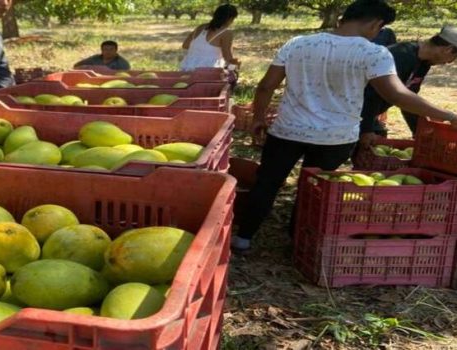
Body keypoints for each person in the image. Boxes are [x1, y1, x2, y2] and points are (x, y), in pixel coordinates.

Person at [234, 0, 457, 251]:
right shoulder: (374, 53)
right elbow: (396, 95)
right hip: (335, 137)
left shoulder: (298, 43)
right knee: (313, 189)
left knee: (268, 182)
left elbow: (265, 86)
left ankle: (243, 238)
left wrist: (258, 119)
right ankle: (296, 242)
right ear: (375, 24)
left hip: (289, 130)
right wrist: (449, 116)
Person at [360, 26, 457, 141]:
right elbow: (373, 93)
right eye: (454, 57)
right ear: (448, 49)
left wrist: (418, 133)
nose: (449, 62)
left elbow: (408, 99)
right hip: (351, 112)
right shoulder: (401, 55)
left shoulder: (423, 64)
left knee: (379, 135)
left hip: (365, 114)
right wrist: (366, 130)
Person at [180, 4, 240, 71]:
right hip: (208, 70)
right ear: (230, 18)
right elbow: (227, 57)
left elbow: (185, 45)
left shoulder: (201, 27)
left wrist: (202, 52)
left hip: (187, 66)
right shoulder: (226, 33)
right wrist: (235, 64)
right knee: (232, 71)